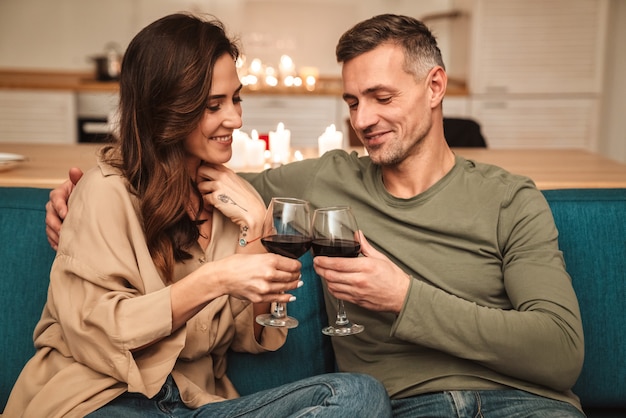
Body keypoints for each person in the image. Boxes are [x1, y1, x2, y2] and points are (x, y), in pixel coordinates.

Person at [44, 13, 586, 418]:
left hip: (525, 403)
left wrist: (403, 298)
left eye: (380, 97)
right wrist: (72, 193)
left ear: (435, 87)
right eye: (352, 102)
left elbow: (561, 353)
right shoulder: (325, 180)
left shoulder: (511, 198)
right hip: (404, 407)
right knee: (357, 397)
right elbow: (156, 175)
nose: (363, 120)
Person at [4, 13, 392, 418]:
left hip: (196, 404)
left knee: (359, 395)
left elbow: (253, 334)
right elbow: (97, 334)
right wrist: (215, 279)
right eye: (213, 105)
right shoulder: (107, 192)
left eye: (236, 99)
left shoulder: (230, 202)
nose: (236, 120)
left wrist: (258, 226)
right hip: (100, 400)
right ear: (167, 110)